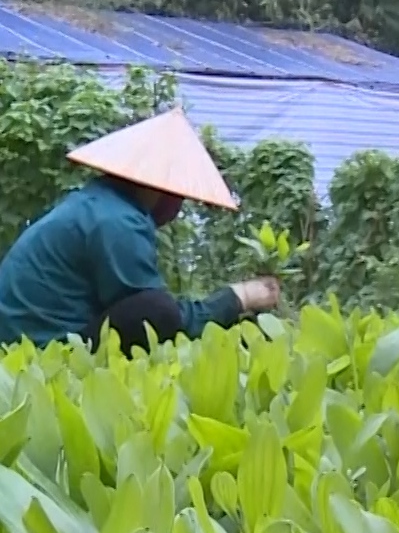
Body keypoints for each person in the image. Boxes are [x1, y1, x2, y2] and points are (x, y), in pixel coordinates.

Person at [0, 106, 281, 354]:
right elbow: (157, 311)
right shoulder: (117, 221)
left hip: (27, 336)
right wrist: (238, 297)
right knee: (158, 311)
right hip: (44, 347)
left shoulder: (96, 203)